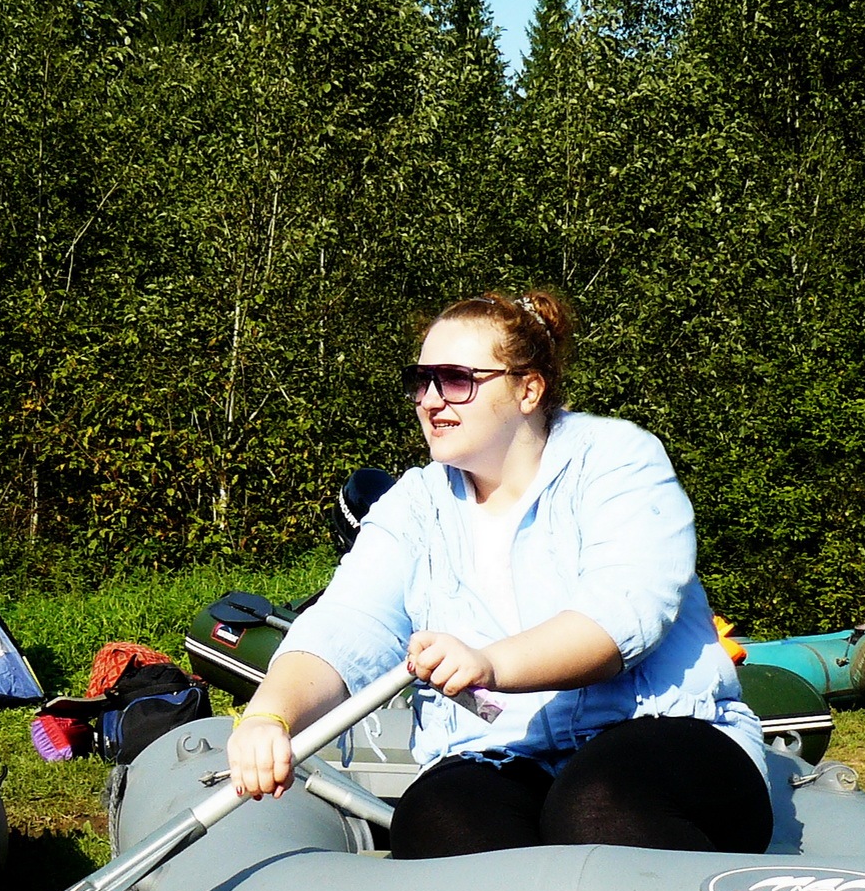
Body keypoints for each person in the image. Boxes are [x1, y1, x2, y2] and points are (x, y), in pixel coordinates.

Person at [226, 290, 771, 858]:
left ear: (528, 389)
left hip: (660, 732)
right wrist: (270, 715)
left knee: (595, 804)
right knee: (436, 819)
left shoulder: (619, 460)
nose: (431, 400)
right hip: (503, 753)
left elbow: (620, 617)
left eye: (456, 380)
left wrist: (491, 664)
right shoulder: (414, 505)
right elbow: (348, 623)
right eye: (421, 380)